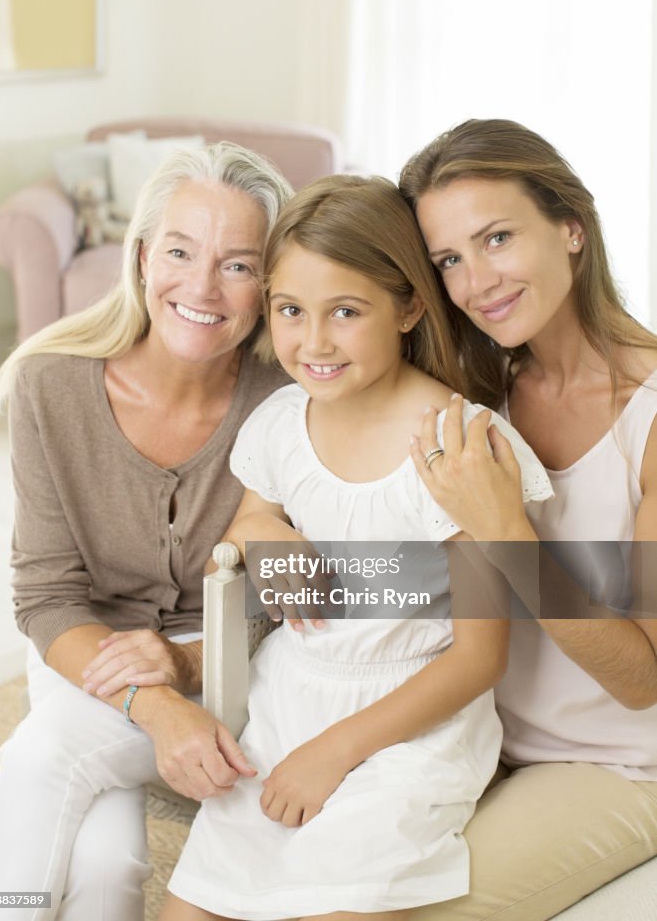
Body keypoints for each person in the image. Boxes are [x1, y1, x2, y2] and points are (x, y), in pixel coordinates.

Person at [159, 175, 555, 921]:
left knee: (330, 903)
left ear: (407, 305)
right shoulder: (281, 421)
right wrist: (267, 541)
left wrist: (335, 752)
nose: (312, 342)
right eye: (289, 311)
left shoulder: (458, 447)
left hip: (410, 724)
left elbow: (479, 659)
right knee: (193, 906)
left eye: (345, 311)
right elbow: (248, 520)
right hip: (289, 701)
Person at [0, 143, 293, 921]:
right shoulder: (51, 382)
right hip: (87, 643)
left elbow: (292, 589)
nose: (202, 286)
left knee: (45, 761)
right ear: (143, 257)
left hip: (228, 656)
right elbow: (48, 595)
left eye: (239, 265)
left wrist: (187, 665)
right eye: (180, 251)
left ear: (270, 284)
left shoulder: (289, 398)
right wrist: (156, 703)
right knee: (108, 866)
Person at [398, 118, 657, 921]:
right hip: (479, 732)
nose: (475, 282)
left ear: (571, 228)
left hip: (614, 763)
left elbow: (640, 677)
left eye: (497, 237)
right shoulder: (481, 389)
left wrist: (507, 530)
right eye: (448, 259)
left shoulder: (646, 419)